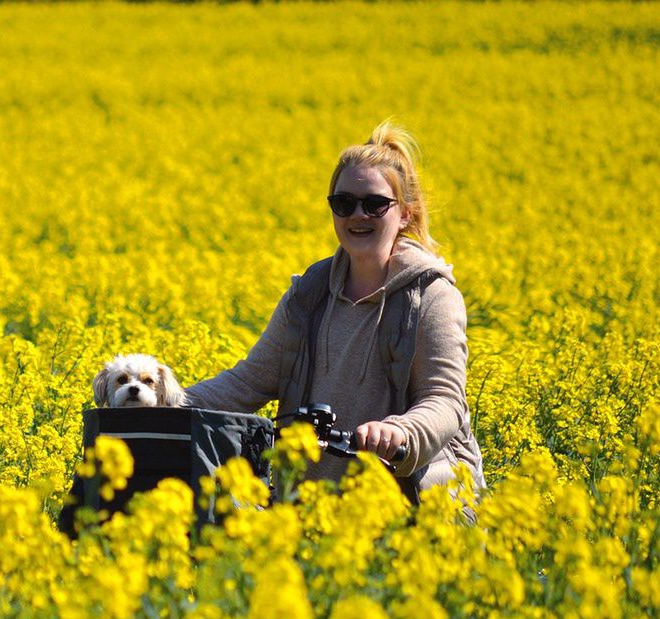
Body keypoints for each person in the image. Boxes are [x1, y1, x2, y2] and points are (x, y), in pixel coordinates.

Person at [186, 121, 484, 501]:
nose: (358, 215)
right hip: (312, 509)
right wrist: (161, 401)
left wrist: (401, 433)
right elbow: (247, 383)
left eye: (375, 204)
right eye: (344, 203)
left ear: (405, 214)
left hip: (414, 506)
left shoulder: (429, 295)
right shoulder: (310, 292)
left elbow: (443, 399)